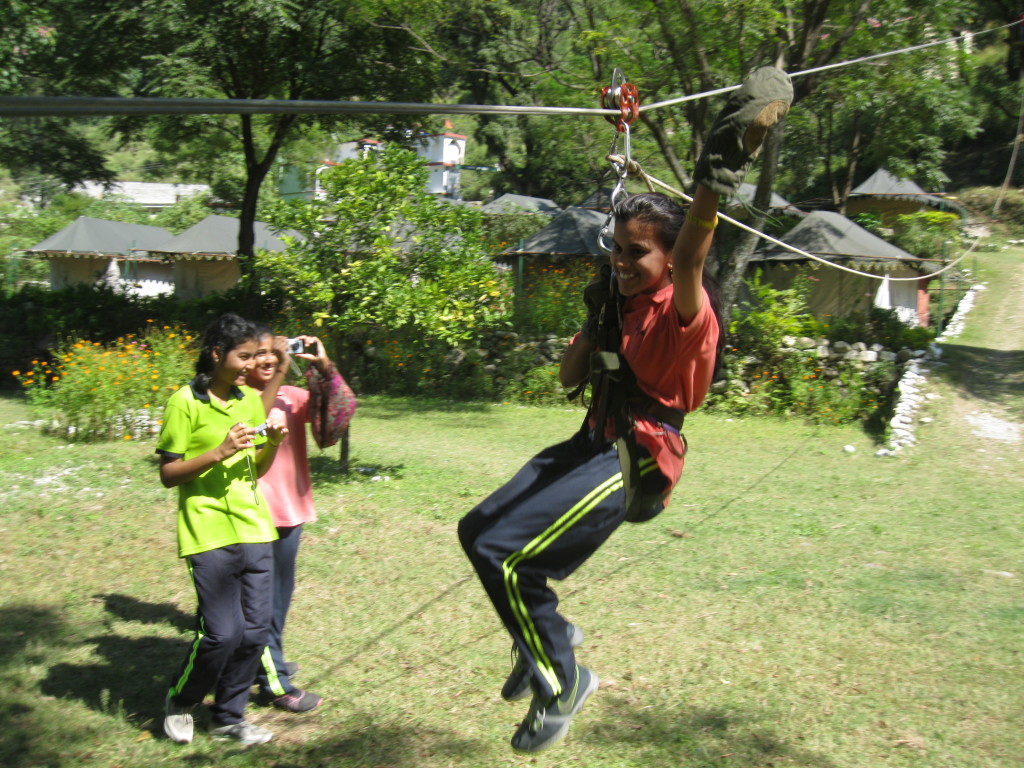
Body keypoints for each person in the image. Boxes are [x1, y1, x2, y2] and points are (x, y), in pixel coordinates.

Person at [458, 66, 793, 753]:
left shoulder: (683, 310)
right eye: (615, 250)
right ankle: (545, 639)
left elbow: (699, 238)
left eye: (636, 253)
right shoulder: (622, 302)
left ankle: (563, 679)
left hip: (634, 459)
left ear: (669, 261)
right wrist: (598, 310)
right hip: (591, 441)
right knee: (477, 530)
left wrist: (728, 156)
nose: (622, 261)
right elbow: (567, 377)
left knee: (512, 559)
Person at [157, 313, 288, 747]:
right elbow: (169, 472)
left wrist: (272, 442)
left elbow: (258, 468)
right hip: (207, 529)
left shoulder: (250, 400)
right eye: (244, 356)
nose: (254, 365)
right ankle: (182, 699)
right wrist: (218, 452)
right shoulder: (185, 402)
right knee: (221, 633)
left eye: (257, 356)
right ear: (217, 354)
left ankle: (231, 718)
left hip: (255, 529)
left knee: (254, 633)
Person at [245, 329, 357, 713]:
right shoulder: (235, 401)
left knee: (277, 597)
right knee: (256, 601)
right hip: (248, 515)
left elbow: (339, 409)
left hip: (290, 512)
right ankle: (274, 680)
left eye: (276, 353)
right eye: (260, 354)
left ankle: (267, 657)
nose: (270, 360)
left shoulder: (292, 398)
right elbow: (249, 420)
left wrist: (324, 365)